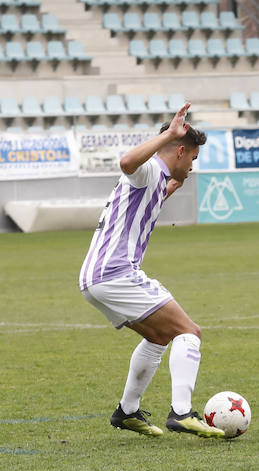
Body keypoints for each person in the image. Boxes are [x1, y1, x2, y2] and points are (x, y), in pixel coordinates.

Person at [79, 103, 224, 438]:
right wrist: (168, 136)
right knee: (190, 332)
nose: (192, 167)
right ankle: (182, 412)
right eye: (192, 159)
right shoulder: (147, 171)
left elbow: (158, 189)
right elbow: (128, 162)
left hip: (96, 279)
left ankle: (127, 411)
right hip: (115, 274)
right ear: (180, 151)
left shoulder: (158, 180)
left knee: (158, 337)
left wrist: (174, 182)